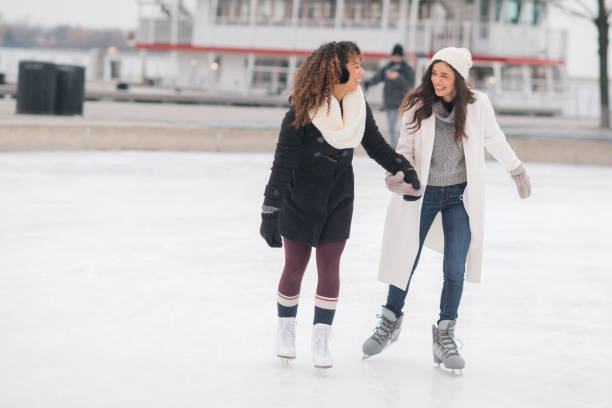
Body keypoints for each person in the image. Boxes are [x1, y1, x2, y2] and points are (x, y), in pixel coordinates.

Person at [361, 47, 532, 372]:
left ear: (458, 77)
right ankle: (390, 320)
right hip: (422, 193)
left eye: (445, 75)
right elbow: (405, 149)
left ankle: (444, 335)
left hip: (458, 196)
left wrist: (516, 169)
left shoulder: (477, 105)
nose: (437, 80)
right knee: (404, 256)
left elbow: (494, 139)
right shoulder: (416, 103)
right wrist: (398, 175)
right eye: (434, 73)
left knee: (455, 267)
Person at [259, 41, 421, 369]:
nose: (362, 71)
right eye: (356, 65)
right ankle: (286, 332)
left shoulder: (358, 109)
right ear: (337, 69)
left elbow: (376, 146)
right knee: (294, 267)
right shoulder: (300, 113)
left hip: (338, 199)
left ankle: (321, 340)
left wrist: (404, 168)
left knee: (330, 268)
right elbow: (282, 164)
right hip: (299, 198)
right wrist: (270, 210)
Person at [364, 44, 415, 149]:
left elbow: (410, 85)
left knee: (405, 129)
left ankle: (404, 149)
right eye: (394, 56)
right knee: (391, 128)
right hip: (390, 102)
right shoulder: (387, 68)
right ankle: (394, 149)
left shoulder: (407, 69)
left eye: (397, 56)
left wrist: (398, 77)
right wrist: (368, 83)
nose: (395, 58)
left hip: (403, 104)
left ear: (401, 56)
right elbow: (377, 77)